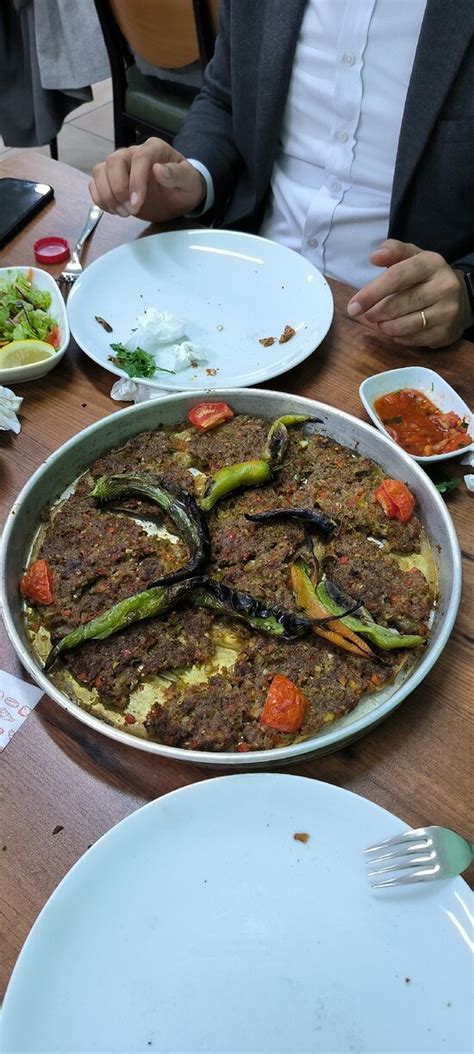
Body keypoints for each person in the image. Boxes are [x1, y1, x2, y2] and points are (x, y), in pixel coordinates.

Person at [90, 0, 474, 349]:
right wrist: (194, 177)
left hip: (399, 331)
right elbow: (225, 98)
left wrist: (467, 290)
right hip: (241, 292)